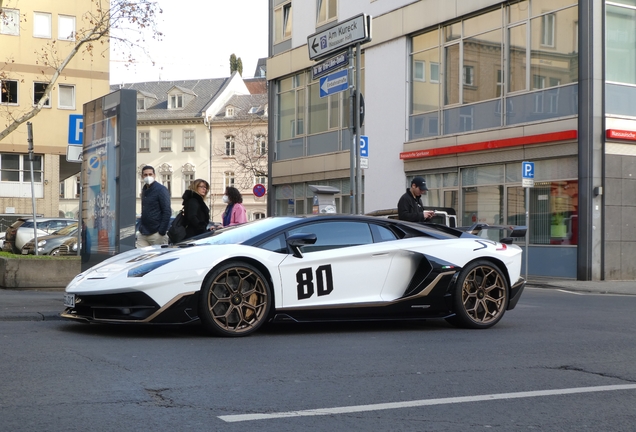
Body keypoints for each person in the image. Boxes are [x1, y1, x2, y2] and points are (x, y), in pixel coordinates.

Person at [137, 165, 172, 247]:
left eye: (150, 174)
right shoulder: (144, 189)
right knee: (139, 257)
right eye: (145, 175)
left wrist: (162, 231)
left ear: (154, 175)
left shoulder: (161, 189)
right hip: (143, 232)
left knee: (158, 257)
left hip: (156, 233)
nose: (148, 177)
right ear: (142, 176)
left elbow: (167, 211)